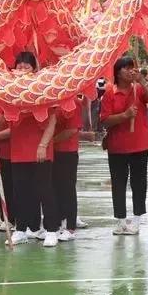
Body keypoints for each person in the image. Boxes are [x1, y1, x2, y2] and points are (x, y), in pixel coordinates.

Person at [0, 52, 59, 247]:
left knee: (44, 190)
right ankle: (21, 229)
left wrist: (43, 145)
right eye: (19, 67)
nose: (22, 70)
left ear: (34, 69)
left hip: (40, 150)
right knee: (20, 192)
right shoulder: (10, 94)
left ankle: (51, 230)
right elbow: (0, 122)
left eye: (26, 67)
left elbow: (52, 121)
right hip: (19, 151)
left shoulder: (44, 90)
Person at [100, 56, 148, 236]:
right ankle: (120, 220)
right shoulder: (110, 93)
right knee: (118, 183)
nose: (130, 71)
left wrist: (142, 80)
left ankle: (136, 219)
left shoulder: (139, 90)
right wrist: (124, 116)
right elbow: (104, 121)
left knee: (138, 182)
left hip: (139, 144)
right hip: (117, 145)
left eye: (132, 67)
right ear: (117, 72)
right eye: (126, 68)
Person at [52, 101, 82, 241]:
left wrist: (48, 141)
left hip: (67, 151)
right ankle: (57, 222)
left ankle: (70, 227)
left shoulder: (72, 102)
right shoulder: (50, 102)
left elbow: (71, 130)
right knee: (55, 188)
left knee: (67, 189)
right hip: (52, 152)